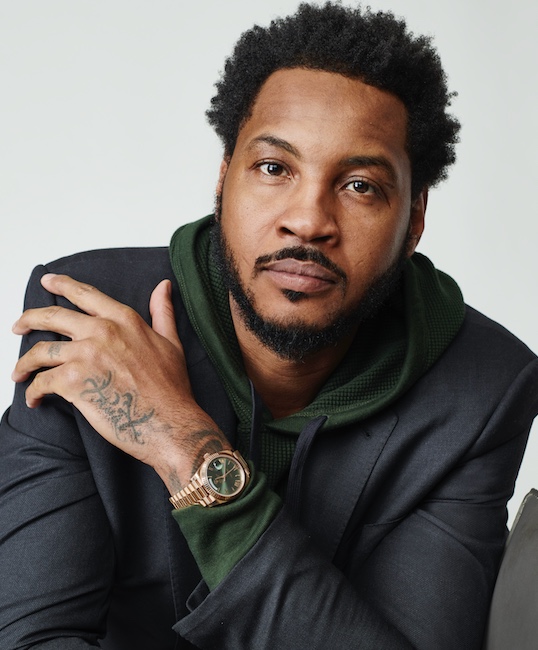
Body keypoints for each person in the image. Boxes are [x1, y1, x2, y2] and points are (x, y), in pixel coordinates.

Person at [1, 2, 537, 648]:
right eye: (275, 168)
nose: (308, 221)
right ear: (223, 180)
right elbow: (32, 637)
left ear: (415, 219)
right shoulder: (93, 319)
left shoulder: (483, 387)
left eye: (361, 185)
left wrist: (185, 445)